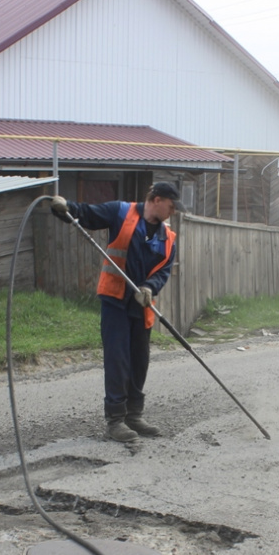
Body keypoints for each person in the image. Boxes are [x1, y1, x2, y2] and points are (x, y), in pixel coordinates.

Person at [51, 182, 183, 442]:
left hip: (141, 307)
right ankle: (115, 420)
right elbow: (87, 214)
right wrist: (65, 208)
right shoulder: (120, 212)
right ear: (156, 199)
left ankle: (134, 415)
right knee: (118, 360)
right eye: (172, 205)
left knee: (139, 362)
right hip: (115, 301)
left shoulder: (168, 239)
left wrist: (148, 287)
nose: (173, 211)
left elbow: (163, 271)